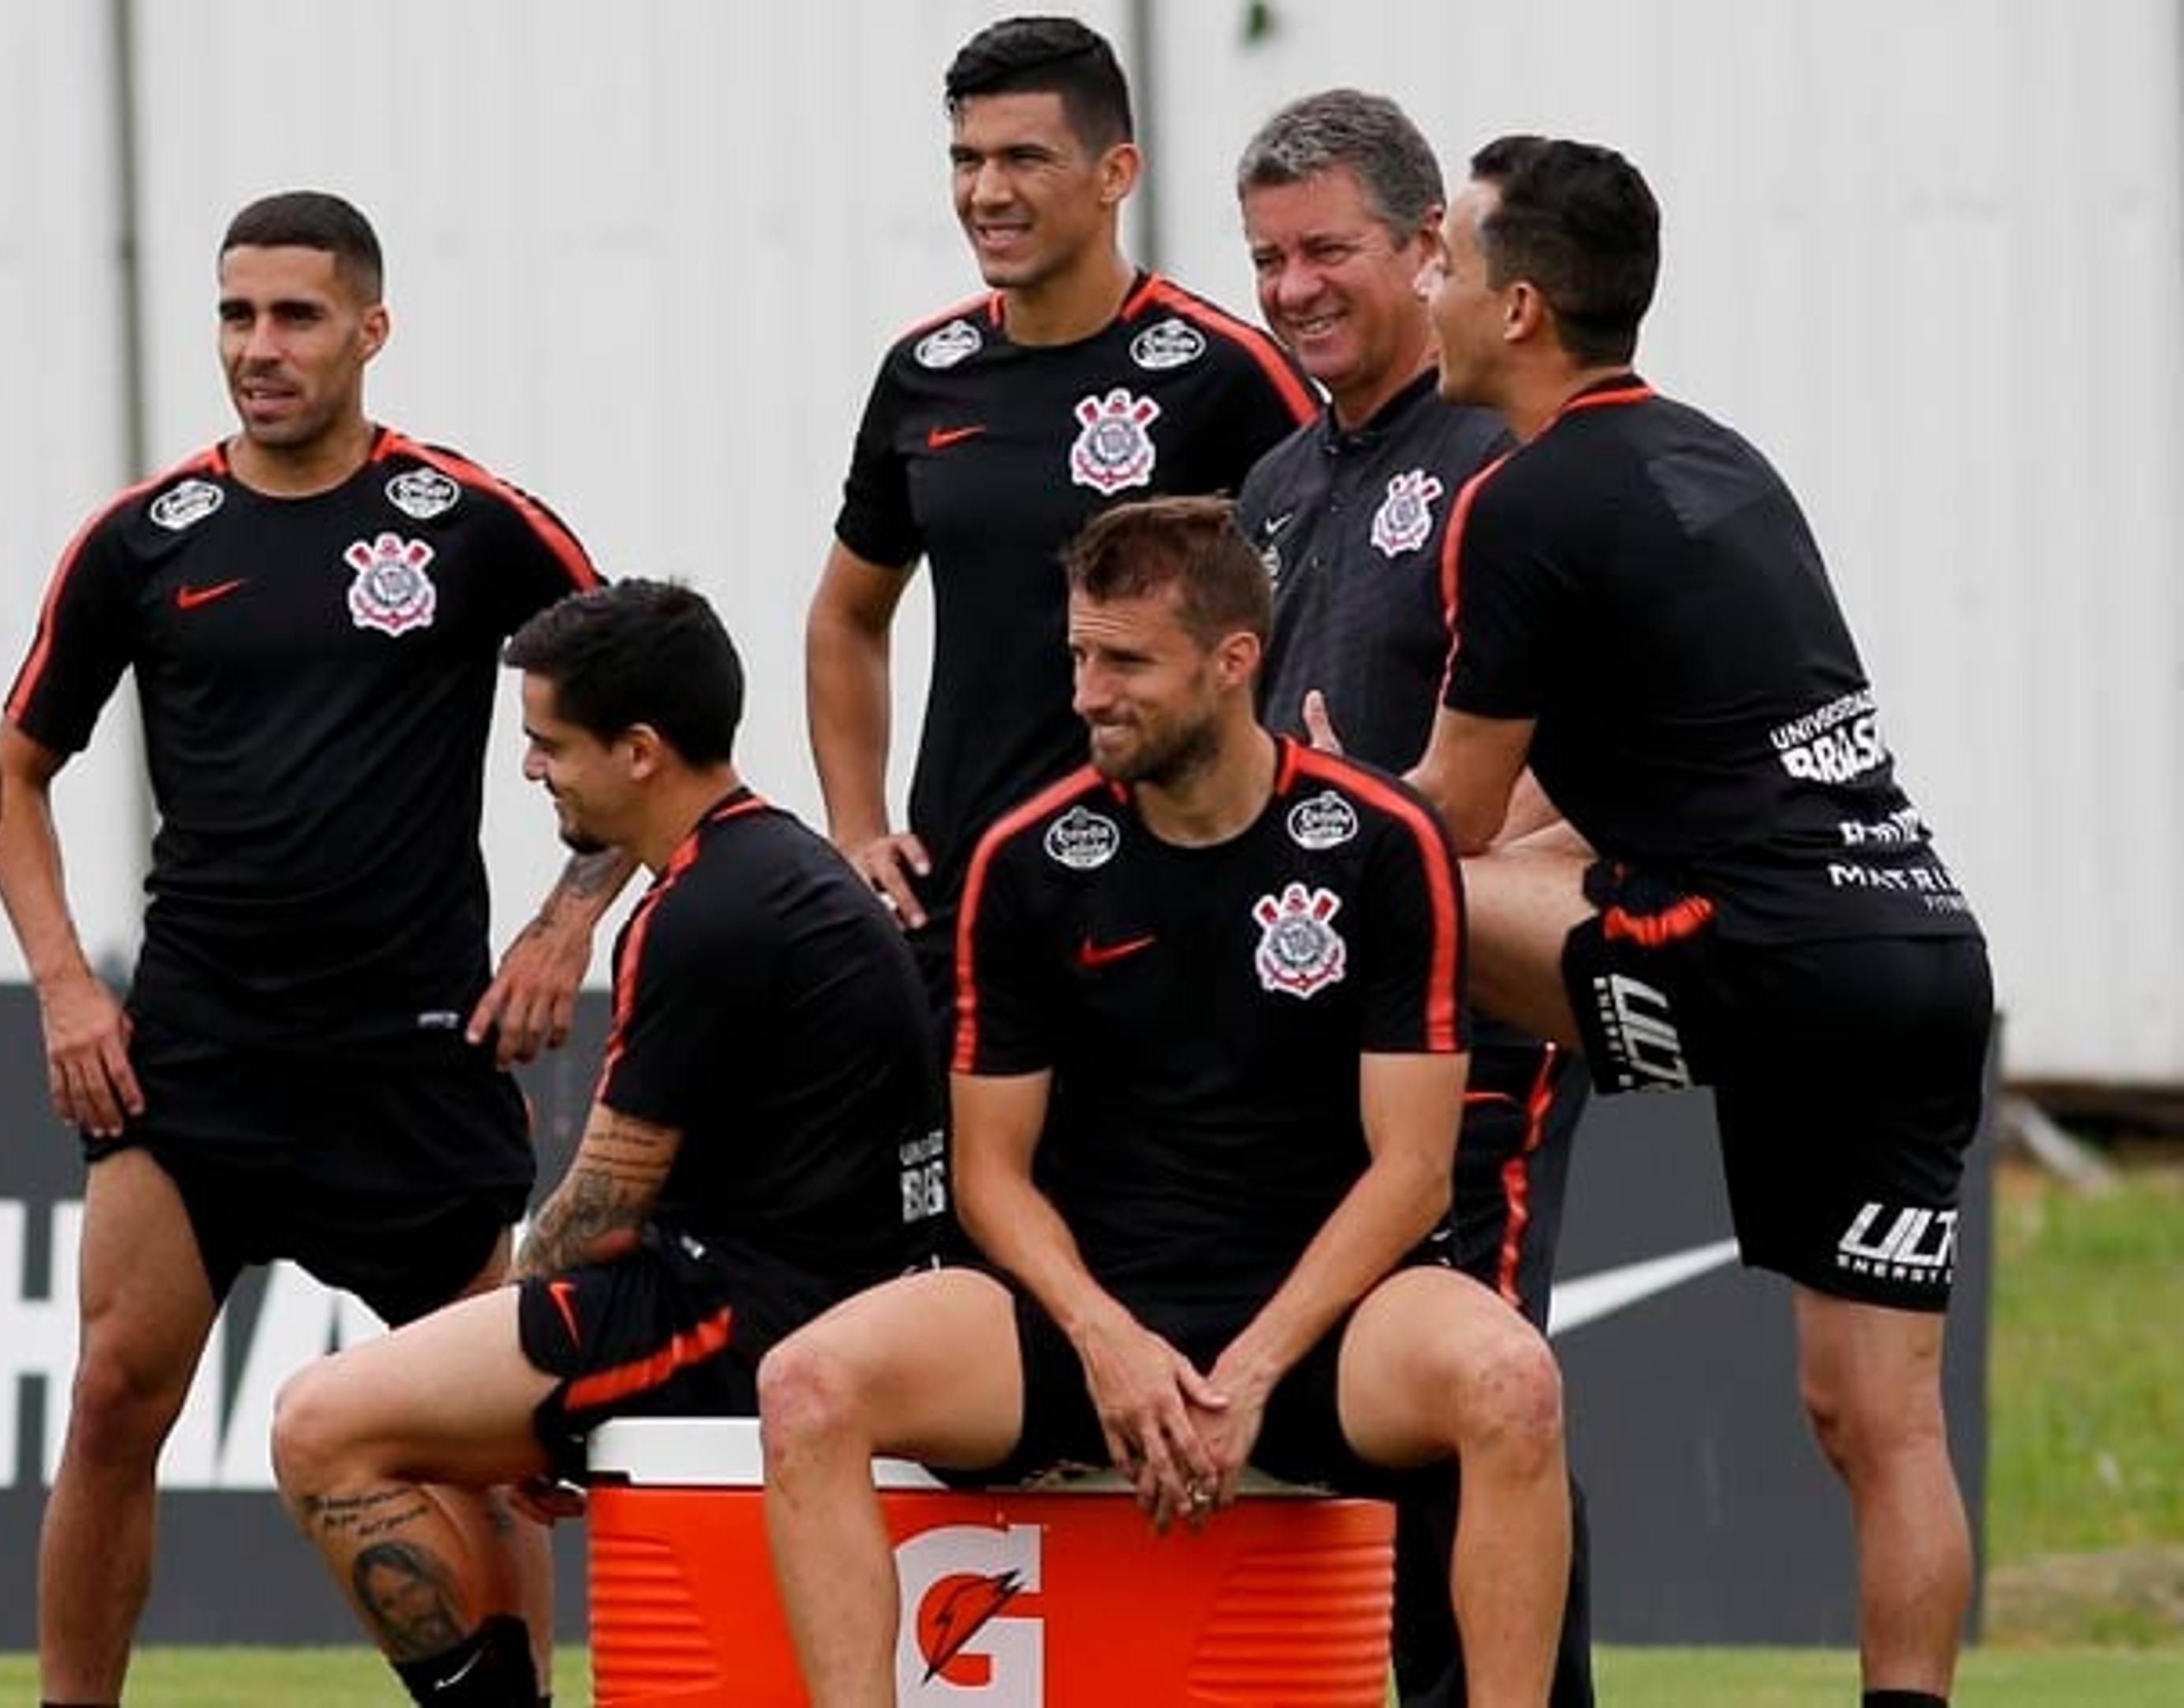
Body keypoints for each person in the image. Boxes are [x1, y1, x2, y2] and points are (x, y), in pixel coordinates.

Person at [760, 497, 1570, 1706]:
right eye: (1080, 655)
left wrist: (1249, 1369)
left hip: (1320, 1325)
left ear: (1234, 660)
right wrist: (1108, 1339)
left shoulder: (1380, 842)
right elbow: (989, 1174)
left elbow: (1410, 1171)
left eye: (1125, 659)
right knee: (807, 1387)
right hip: (1088, 1315)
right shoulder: (1027, 859)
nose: (1087, 692)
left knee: (1513, 1382)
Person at [0, 190, 625, 1708]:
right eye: (234, 315)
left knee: (479, 1437)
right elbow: (12, 767)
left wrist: (564, 917)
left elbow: (651, 732)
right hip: (195, 1051)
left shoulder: (472, 524)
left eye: (294, 315)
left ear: (369, 330)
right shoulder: (147, 538)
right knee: (109, 1400)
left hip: (412, 1055)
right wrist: (71, 985)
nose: (258, 348)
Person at [1410, 135, 1994, 1708]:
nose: (1429, 291)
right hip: (1919, 949)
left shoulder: (1518, 500)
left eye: (1447, 263)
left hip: (1763, 957)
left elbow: (1445, 825)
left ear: (1520, 307)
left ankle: (1401, 1243)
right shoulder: (1723, 461)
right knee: (1880, 1419)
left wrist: (1307, 788)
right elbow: (1649, 789)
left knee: (1380, 904)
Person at [268, 578, 944, 1708]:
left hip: (739, 1315)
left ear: (640, 751)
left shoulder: (703, 910)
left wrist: (536, 1380)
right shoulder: (764, 865)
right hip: (788, 1291)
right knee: (412, 1405)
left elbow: (600, 1211)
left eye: (550, 744)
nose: (533, 769)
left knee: (316, 1425)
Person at [1231, 89, 1597, 1706]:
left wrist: (1452, 887)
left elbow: (1595, 754)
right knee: (1371, 1402)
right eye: (1266, 258)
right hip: (1297, 1031)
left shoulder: (1507, 461)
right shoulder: (1272, 484)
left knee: (1475, 1384)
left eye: (1329, 251)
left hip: (1472, 1026)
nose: (1295, 287)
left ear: (1427, 245)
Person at [807, 13, 1313, 1027]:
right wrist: (858, 829)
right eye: (968, 159)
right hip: (967, 890)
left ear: (1116, 170)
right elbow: (847, 618)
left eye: (1025, 158)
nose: (986, 192)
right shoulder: (924, 375)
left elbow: (1318, 613)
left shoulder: (1225, 373)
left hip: (1171, 894)